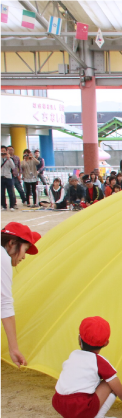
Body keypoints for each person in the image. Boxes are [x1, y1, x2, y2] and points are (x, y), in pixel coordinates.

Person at [52, 316, 122, 418]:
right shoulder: (99, 362)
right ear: (106, 343)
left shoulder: (73, 355)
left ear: (79, 339)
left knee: (86, 383)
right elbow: (118, 389)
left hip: (59, 405)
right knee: (110, 384)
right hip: (80, 407)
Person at [0, 222, 40, 367]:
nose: (24, 257)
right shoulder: (2, 256)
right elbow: (4, 304)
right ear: (12, 243)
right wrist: (14, 348)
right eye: (25, 249)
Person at [0, 146, 17, 211]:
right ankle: (4, 206)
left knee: (10, 192)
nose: (3, 152)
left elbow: (13, 167)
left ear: (6, 151)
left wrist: (8, 158)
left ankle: (11, 206)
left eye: (4, 150)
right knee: (2, 193)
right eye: (1, 151)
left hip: (8, 177)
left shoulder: (10, 158)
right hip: (1, 177)